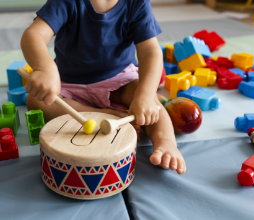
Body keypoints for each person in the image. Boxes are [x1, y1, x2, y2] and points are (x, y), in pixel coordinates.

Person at [21, 0, 186, 174]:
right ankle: (106, 114)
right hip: (68, 82)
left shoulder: (136, 3)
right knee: (36, 100)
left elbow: (150, 51)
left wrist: (145, 95)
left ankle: (165, 141)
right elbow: (34, 34)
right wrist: (45, 68)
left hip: (118, 79)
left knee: (148, 98)